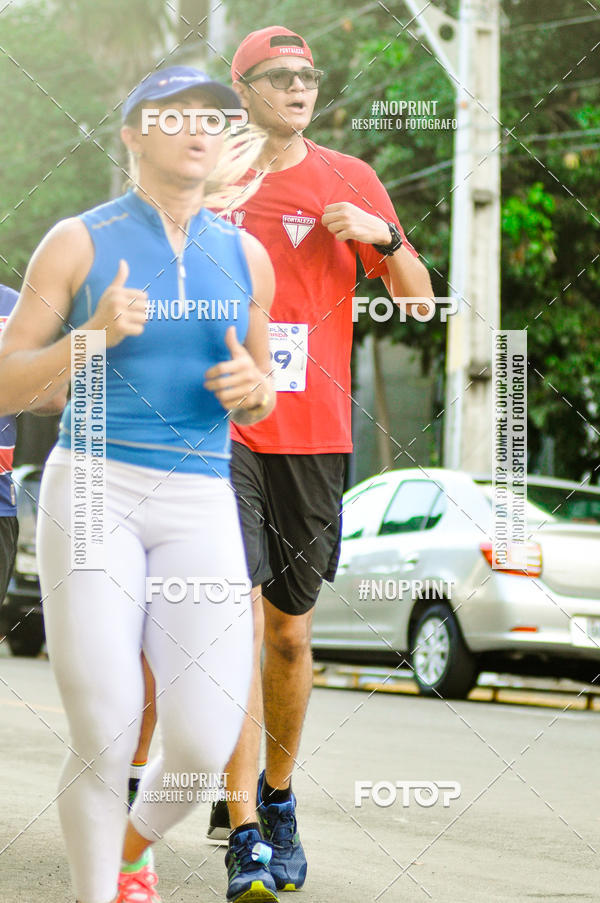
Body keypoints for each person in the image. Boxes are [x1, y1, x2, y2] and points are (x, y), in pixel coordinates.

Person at [128, 28, 435, 903]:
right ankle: (248, 836)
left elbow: (415, 298)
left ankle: (276, 794)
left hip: (314, 431)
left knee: (288, 631)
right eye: (280, 76)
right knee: (228, 619)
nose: (299, 87)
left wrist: (383, 235)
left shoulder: (350, 179)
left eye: (308, 76)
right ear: (244, 89)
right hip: (215, 431)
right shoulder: (205, 173)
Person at [0, 65, 275, 903]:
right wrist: (89, 335)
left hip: (200, 496)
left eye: (215, 116)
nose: (201, 126)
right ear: (131, 134)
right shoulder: (79, 241)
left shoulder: (248, 255)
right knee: (108, 724)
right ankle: (98, 891)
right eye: (175, 114)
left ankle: (129, 849)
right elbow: (8, 385)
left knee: (201, 739)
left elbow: (263, 388)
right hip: (94, 490)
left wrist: (255, 391)